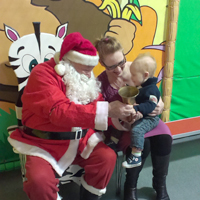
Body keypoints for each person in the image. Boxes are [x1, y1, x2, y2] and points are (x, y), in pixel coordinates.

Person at [8, 32, 136, 200]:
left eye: (91, 69)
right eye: (85, 68)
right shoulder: (42, 74)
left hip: (81, 139)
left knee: (107, 158)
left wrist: (121, 117)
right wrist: (108, 110)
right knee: (39, 181)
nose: (88, 74)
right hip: (44, 143)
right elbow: (59, 112)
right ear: (66, 62)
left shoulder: (85, 77)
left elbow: (95, 104)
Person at [95, 36, 172, 200]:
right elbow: (100, 113)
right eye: (112, 67)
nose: (119, 70)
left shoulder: (136, 68)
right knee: (142, 142)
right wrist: (118, 117)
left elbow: (153, 92)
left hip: (145, 117)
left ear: (124, 54)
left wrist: (160, 104)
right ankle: (130, 186)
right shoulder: (100, 83)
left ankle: (160, 184)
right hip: (118, 127)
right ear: (102, 63)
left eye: (121, 62)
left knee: (164, 138)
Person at [122, 53, 160, 169]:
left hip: (151, 118)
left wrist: (137, 108)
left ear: (145, 75)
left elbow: (150, 106)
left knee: (137, 130)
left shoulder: (152, 90)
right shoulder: (143, 85)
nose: (132, 77)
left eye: (134, 75)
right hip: (143, 114)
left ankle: (136, 155)